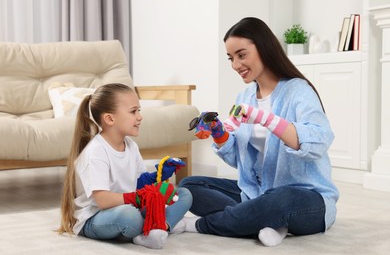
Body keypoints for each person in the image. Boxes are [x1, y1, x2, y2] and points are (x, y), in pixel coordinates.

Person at [179, 17, 339, 247]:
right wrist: (218, 132)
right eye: (231, 58)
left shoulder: (298, 91)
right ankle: (268, 222)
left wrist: (264, 118)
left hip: (305, 199)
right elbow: (238, 159)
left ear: (264, 47)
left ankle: (197, 225)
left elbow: (318, 141)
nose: (235, 65)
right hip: (257, 194)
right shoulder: (244, 98)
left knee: (279, 200)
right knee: (189, 187)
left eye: (241, 55)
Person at [58, 83, 192, 249]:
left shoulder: (130, 146)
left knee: (183, 194)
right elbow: (103, 200)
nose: (140, 117)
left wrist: (158, 176)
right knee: (130, 216)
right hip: (97, 217)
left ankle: (156, 229)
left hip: (128, 206)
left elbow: (137, 183)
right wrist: (138, 198)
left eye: (139, 111)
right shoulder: (95, 152)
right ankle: (162, 224)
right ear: (110, 119)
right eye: (133, 111)